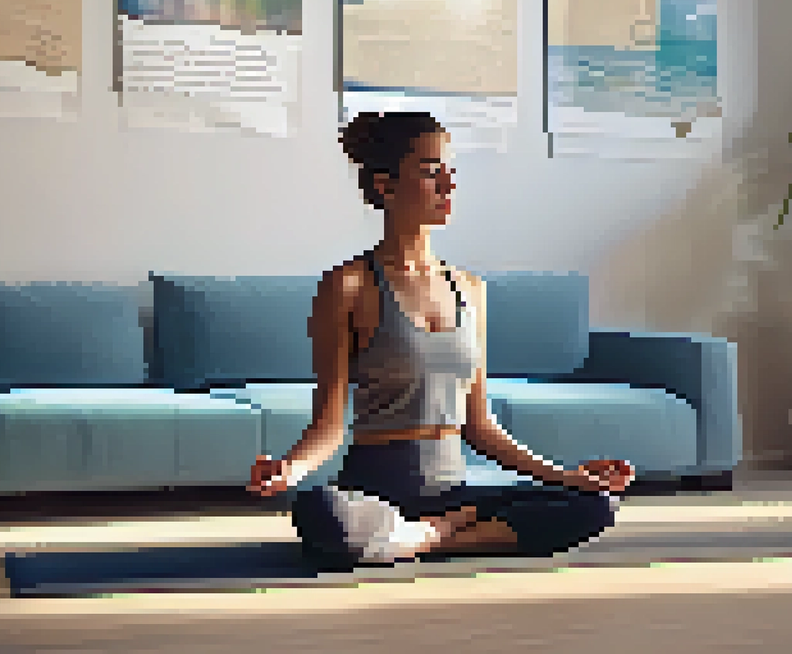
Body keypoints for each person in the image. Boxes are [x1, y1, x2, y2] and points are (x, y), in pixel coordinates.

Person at [247, 111, 634, 567]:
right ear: (385, 186)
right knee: (318, 511)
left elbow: (481, 427)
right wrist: (288, 469)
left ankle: (427, 537)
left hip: (455, 492)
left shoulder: (471, 289)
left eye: (450, 172)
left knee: (595, 505)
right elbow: (330, 425)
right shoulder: (349, 286)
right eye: (432, 173)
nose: (449, 186)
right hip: (376, 493)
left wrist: (567, 476)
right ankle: (434, 532)